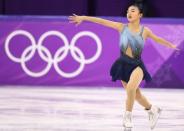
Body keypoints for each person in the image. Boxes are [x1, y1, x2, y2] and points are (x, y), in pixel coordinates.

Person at [68, 3, 179, 130]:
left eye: (132, 11)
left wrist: (170, 45)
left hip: (137, 65)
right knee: (136, 95)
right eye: (127, 11)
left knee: (131, 88)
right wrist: (83, 17)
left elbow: (157, 39)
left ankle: (128, 117)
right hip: (123, 64)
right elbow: (102, 21)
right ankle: (153, 109)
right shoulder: (121, 27)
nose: (129, 13)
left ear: (140, 15)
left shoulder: (145, 31)